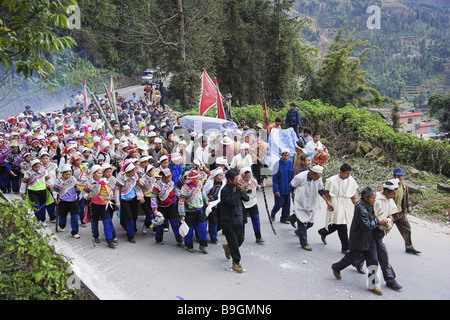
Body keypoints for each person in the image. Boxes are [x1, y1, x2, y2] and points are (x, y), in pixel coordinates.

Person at [331, 186, 388, 296]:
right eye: (372, 198)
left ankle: (372, 285)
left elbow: (372, 219)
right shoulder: (360, 208)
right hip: (359, 239)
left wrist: (376, 220)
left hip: (369, 238)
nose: (374, 200)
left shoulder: (369, 205)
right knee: (351, 257)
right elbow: (366, 225)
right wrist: (377, 222)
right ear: (366, 198)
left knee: (373, 261)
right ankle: (336, 267)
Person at [353, 179, 403, 291]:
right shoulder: (375, 200)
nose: (395, 195)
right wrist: (380, 222)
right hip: (373, 230)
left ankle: (356, 262)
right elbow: (369, 217)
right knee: (381, 256)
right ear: (385, 191)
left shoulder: (389, 199)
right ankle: (389, 279)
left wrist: (390, 220)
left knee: (369, 253)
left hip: (379, 231)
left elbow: (389, 213)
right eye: (393, 193)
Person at [290, 165, 334, 251]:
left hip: (311, 202)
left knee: (310, 223)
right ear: (311, 174)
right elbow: (291, 186)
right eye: (317, 177)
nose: (318, 179)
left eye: (319, 177)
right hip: (300, 203)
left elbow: (320, 190)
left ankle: (298, 230)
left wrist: (328, 202)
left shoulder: (318, 178)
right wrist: (295, 198)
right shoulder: (300, 177)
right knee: (302, 223)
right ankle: (304, 243)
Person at [318, 164, 359, 253]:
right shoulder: (332, 180)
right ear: (341, 172)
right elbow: (327, 192)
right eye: (346, 174)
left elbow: (354, 193)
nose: (348, 176)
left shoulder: (351, 180)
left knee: (338, 223)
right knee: (341, 224)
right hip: (335, 202)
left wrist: (358, 205)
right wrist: (329, 203)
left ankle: (324, 231)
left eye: (349, 174)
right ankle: (345, 247)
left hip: (344, 202)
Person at [220, 168, 249, 273]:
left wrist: (241, 191)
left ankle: (228, 247)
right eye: (236, 180)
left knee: (240, 239)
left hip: (239, 218)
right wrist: (238, 192)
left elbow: (247, 199)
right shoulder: (225, 191)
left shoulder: (238, 189)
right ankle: (236, 262)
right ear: (229, 180)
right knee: (234, 242)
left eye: (238, 179)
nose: (238, 181)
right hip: (229, 220)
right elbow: (232, 202)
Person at [83, 165, 117, 248]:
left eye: (101, 173)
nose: (100, 175)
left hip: (104, 205)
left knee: (106, 222)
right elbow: (83, 193)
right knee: (94, 221)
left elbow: (110, 192)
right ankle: (95, 236)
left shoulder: (105, 181)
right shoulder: (89, 183)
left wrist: (110, 196)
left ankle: (110, 240)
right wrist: (87, 195)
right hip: (94, 204)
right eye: (98, 173)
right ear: (94, 174)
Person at [178, 168, 209, 253]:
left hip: (200, 209)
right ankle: (189, 245)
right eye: (197, 179)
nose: (198, 180)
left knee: (202, 227)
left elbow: (202, 192)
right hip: (190, 211)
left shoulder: (199, 184)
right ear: (192, 179)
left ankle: (203, 245)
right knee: (190, 229)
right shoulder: (185, 188)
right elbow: (181, 202)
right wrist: (182, 214)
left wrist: (206, 200)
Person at [150, 168, 183, 246]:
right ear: (164, 178)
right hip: (161, 207)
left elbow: (176, 192)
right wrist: (155, 209)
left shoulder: (171, 183)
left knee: (175, 223)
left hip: (170, 206)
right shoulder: (157, 185)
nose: (170, 179)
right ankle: (158, 239)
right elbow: (153, 197)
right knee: (160, 224)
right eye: (169, 177)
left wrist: (182, 196)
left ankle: (179, 240)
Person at [392, 167, 421, 255]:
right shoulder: (390, 186)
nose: (400, 178)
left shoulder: (404, 186)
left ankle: (409, 247)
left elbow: (406, 198)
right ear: (394, 176)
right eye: (398, 176)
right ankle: (372, 245)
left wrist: (408, 208)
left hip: (400, 213)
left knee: (407, 228)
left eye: (402, 176)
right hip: (391, 214)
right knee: (381, 231)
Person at [20, 159, 54, 226]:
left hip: (42, 190)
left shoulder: (44, 171)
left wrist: (51, 185)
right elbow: (24, 183)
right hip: (32, 191)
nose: (37, 168)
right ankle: (38, 219)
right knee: (36, 206)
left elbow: (48, 179)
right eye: (35, 167)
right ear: (32, 167)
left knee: (43, 206)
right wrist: (22, 192)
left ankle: (43, 220)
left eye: (38, 166)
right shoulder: (28, 173)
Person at [114, 159, 139, 243]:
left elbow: (137, 187)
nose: (133, 173)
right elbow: (117, 190)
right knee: (129, 218)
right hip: (125, 200)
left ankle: (133, 230)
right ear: (127, 172)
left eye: (134, 171)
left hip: (133, 199)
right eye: (131, 172)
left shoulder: (135, 176)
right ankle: (130, 236)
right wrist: (117, 202)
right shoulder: (121, 178)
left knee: (135, 215)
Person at [52, 164, 80, 238]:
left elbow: (77, 188)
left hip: (73, 200)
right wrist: (55, 198)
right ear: (62, 173)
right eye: (66, 174)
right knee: (63, 216)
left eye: (69, 174)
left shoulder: (73, 179)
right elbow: (54, 190)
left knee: (75, 216)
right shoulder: (58, 181)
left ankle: (74, 232)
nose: (68, 176)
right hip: (63, 201)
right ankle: (61, 225)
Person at [239, 167, 264, 243]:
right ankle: (241, 237)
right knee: (242, 221)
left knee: (256, 219)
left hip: (253, 203)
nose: (248, 179)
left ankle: (258, 237)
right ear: (243, 176)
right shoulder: (239, 183)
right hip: (243, 204)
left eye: (249, 177)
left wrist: (261, 186)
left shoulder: (253, 181)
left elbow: (257, 188)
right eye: (246, 177)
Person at [270, 148, 293, 224]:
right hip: (280, 188)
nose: (286, 157)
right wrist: (276, 190)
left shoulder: (290, 163)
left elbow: (292, 175)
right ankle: (273, 213)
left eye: (288, 155)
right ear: (281, 155)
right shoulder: (277, 164)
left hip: (287, 188)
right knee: (279, 203)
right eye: (285, 155)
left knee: (287, 204)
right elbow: (275, 179)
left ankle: (284, 218)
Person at [204, 167, 226, 244]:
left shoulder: (223, 183)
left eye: (222, 175)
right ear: (215, 176)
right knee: (213, 221)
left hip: (220, 204)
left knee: (221, 221)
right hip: (211, 204)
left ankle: (213, 231)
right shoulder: (209, 183)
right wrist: (207, 202)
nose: (222, 177)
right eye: (220, 175)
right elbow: (204, 193)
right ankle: (213, 237)